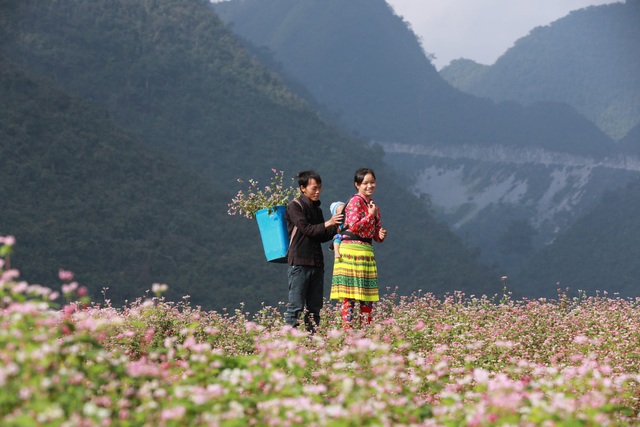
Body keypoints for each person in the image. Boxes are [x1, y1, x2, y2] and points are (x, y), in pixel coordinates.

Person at [285, 170, 343, 332]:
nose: (318, 191)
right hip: (299, 263)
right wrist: (329, 222)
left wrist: (336, 228)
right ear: (303, 188)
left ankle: (312, 344)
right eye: (314, 188)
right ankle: (289, 343)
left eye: (320, 188)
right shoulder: (294, 206)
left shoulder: (316, 209)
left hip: (316, 264)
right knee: (295, 307)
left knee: (314, 309)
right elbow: (307, 229)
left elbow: (320, 235)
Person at [330, 168, 387, 328]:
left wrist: (380, 235)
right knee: (349, 296)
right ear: (357, 185)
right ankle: (348, 332)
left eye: (372, 182)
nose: (370, 186)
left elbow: (374, 233)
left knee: (367, 296)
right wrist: (370, 216)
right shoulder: (356, 202)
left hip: (366, 252)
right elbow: (354, 227)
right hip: (351, 251)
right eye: (365, 183)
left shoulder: (373, 206)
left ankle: (365, 332)